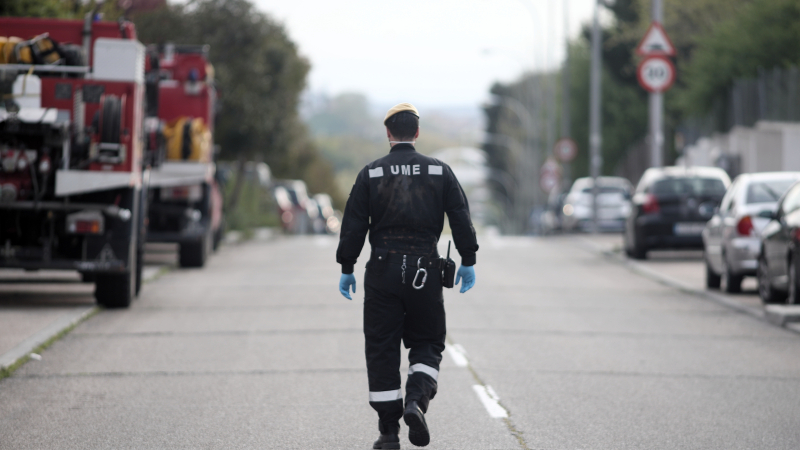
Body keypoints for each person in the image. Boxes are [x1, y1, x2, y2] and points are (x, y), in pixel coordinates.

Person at [336, 103, 479, 449]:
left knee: (382, 348)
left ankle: (388, 433)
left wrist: (347, 267)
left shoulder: (370, 173)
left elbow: (354, 225)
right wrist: (468, 259)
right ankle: (416, 400)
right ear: (417, 133)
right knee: (428, 341)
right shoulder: (439, 172)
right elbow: (459, 215)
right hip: (425, 270)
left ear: (388, 134)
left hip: (383, 270)